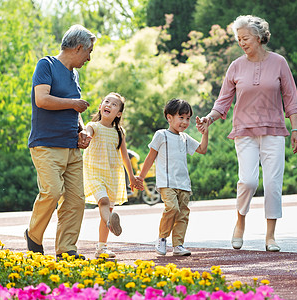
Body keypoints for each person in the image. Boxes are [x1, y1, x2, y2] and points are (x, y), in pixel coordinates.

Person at [196, 15, 297, 252]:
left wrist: (295, 129)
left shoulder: (279, 62)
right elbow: (223, 101)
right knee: (248, 180)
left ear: (258, 37)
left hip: (274, 130)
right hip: (244, 130)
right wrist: (209, 118)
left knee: (273, 183)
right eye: (238, 39)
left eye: (245, 38)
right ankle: (240, 222)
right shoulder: (236, 66)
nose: (241, 42)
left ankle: (270, 236)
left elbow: (290, 99)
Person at [26, 24, 96, 259]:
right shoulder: (46, 65)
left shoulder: (74, 74)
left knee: (76, 200)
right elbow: (42, 99)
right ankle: (33, 235)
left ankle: (66, 249)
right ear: (78, 48)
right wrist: (73, 104)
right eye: (89, 52)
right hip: (46, 144)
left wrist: (83, 129)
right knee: (52, 192)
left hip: (72, 146)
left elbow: (75, 111)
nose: (89, 58)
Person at [137, 98, 209, 256]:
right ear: (169, 118)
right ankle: (162, 238)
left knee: (183, 214)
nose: (185, 122)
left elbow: (202, 149)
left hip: (184, 184)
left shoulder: (185, 138)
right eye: (181, 117)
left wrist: (205, 133)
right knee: (172, 208)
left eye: (188, 118)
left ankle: (178, 245)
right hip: (166, 183)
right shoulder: (161, 135)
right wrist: (140, 177)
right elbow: (150, 157)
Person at [83, 92, 142, 259]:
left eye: (114, 104)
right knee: (104, 201)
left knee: (107, 208)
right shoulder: (93, 126)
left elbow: (125, 156)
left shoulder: (119, 132)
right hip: (94, 172)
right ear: (101, 106)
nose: (109, 105)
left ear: (119, 113)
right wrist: (85, 137)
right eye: (106, 102)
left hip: (112, 175)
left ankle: (101, 247)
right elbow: (87, 133)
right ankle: (111, 223)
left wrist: (131, 176)